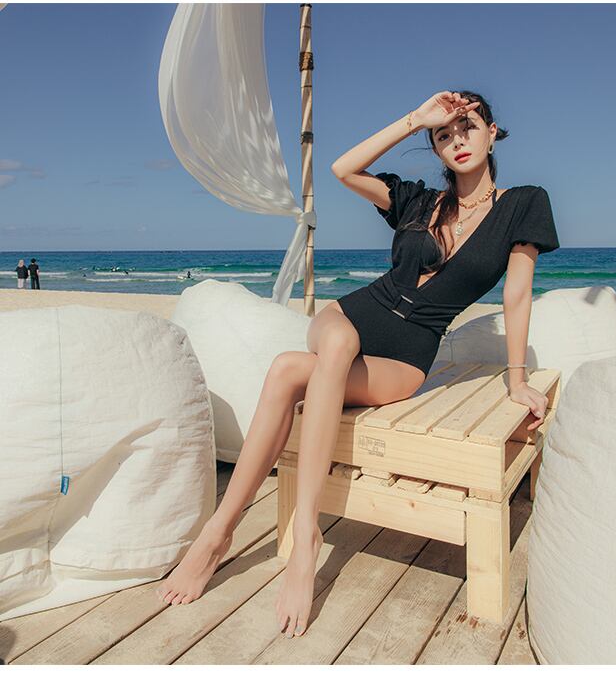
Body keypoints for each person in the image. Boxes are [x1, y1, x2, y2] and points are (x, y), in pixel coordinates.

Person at [155, 90, 560, 639]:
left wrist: (516, 380)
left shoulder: (524, 203)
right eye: (444, 134)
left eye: (468, 127)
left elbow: (517, 294)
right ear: (436, 149)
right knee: (336, 347)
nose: (457, 140)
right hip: (350, 316)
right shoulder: (418, 201)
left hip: (408, 352)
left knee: (286, 369)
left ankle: (231, 530)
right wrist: (415, 119)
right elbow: (343, 168)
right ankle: (276, 535)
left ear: (492, 132)